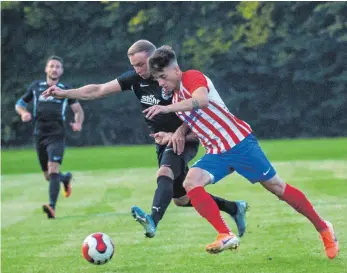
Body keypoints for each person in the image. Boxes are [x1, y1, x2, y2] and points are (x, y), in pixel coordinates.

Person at [143, 45, 339, 258]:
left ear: (175, 70)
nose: (161, 83)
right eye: (157, 79)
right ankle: (225, 234)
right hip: (217, 151)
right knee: (191, 182)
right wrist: (172, 135)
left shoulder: (191, 77)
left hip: (240, 144)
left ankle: (323, 228)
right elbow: (202, 128)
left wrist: (167, 109)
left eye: (163, 77)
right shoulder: (174, 97)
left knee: (278, 188)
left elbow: (201, 101)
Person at [42, 40, 248, 238]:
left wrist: (180, 132)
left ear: (154, 57)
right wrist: (65, 93)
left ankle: (152, 221)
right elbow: (99, 89)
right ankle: (234, 207)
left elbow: (196, 107)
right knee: (181, 198)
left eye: (141, 64)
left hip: (184, 139)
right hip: (161, 141)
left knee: (165, 171)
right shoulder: (135, 79)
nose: (138, 69)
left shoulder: (172, 77)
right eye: (134, 65)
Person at [15, 56, 85, 219]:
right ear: (46, 69)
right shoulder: (35, 87)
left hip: (57, 135)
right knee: (49, 176)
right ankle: (65, 178)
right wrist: (23, 112)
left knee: (53, 168)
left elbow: (78, 110)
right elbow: (19, 103)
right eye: (52, 66)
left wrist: (78, 123)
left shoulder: (65, 89)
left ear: (62, 71)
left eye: (58, 67)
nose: (54, 69)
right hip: (39, 135)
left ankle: (51, 207)